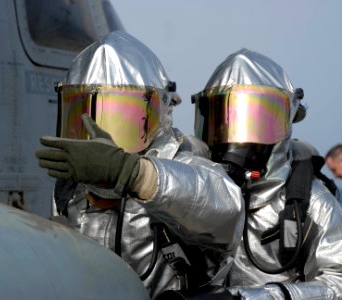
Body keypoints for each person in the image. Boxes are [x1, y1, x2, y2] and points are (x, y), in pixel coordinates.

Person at [35, 31, 244, 299]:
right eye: (85, 118)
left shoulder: (181, 169)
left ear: (162, 115)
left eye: (121, 120)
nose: (102, 140)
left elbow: (226, 208)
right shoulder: (70, 189)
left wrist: (134, 174)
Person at [192, 48, 342, 298]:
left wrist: (266, 296)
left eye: (255, 124)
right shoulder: (193, 194)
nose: (237, 142)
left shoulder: (312, 203)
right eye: (225, 123)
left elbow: (338, 281)